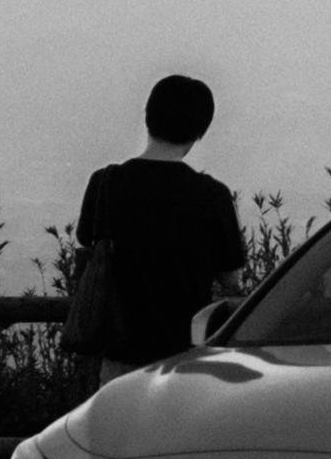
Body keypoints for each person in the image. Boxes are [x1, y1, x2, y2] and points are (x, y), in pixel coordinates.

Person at [65, 74, 244, 385]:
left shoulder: (105, 184)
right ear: (199, 131)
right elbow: (231, 277)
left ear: (148, 118)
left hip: (118, 354)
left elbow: (88, 246)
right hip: (184, 356)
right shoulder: (211, 194)